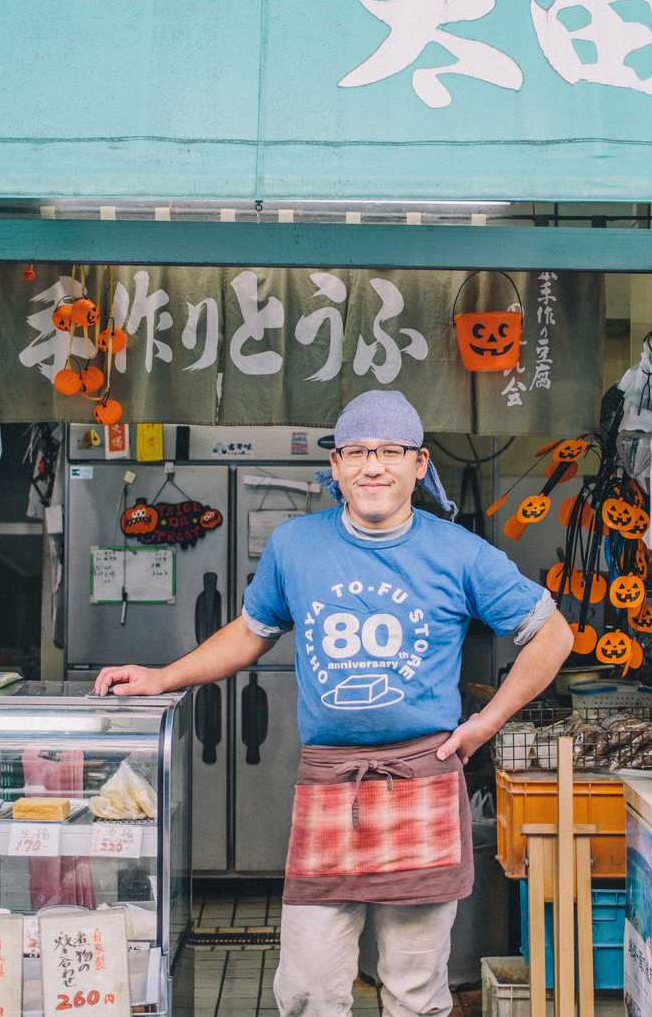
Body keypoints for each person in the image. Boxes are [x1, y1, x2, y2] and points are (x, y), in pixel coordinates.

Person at [94, 390, 573, 1017]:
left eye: (390, 451)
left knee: (414, 990)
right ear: (337, 466)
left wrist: (487, 722)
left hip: (421, 778)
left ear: (420, 463)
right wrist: (163, 677)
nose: (373, 466)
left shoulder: (458, 551)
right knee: (309, 986)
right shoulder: (295, 546)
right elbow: (250, 631)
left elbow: (552, 633)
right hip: (330, 780)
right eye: (357, 452)